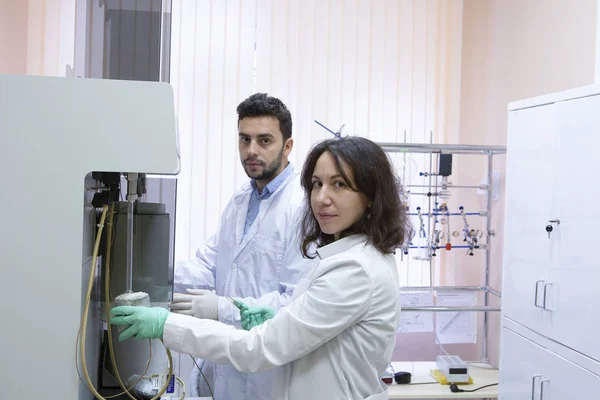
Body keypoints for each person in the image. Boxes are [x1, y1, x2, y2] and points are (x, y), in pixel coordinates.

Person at [111, 136, 410, 400]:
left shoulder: (355, 270)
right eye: (317, 184)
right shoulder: (345, 255)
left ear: (371, 197)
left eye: (339, 184)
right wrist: (279, 315)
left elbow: (260, 347)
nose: (321, 198)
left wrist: (167, 325)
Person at [170, 93, 315, 399]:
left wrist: (222, 309)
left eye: (264, 141)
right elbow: (209, 267)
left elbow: (294, 301)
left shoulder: (303, 207)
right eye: (244, 139)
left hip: (270, 373)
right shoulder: (240, 201)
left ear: (287, 145)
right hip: (228, 362)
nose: (251, 150)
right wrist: (155, 271)